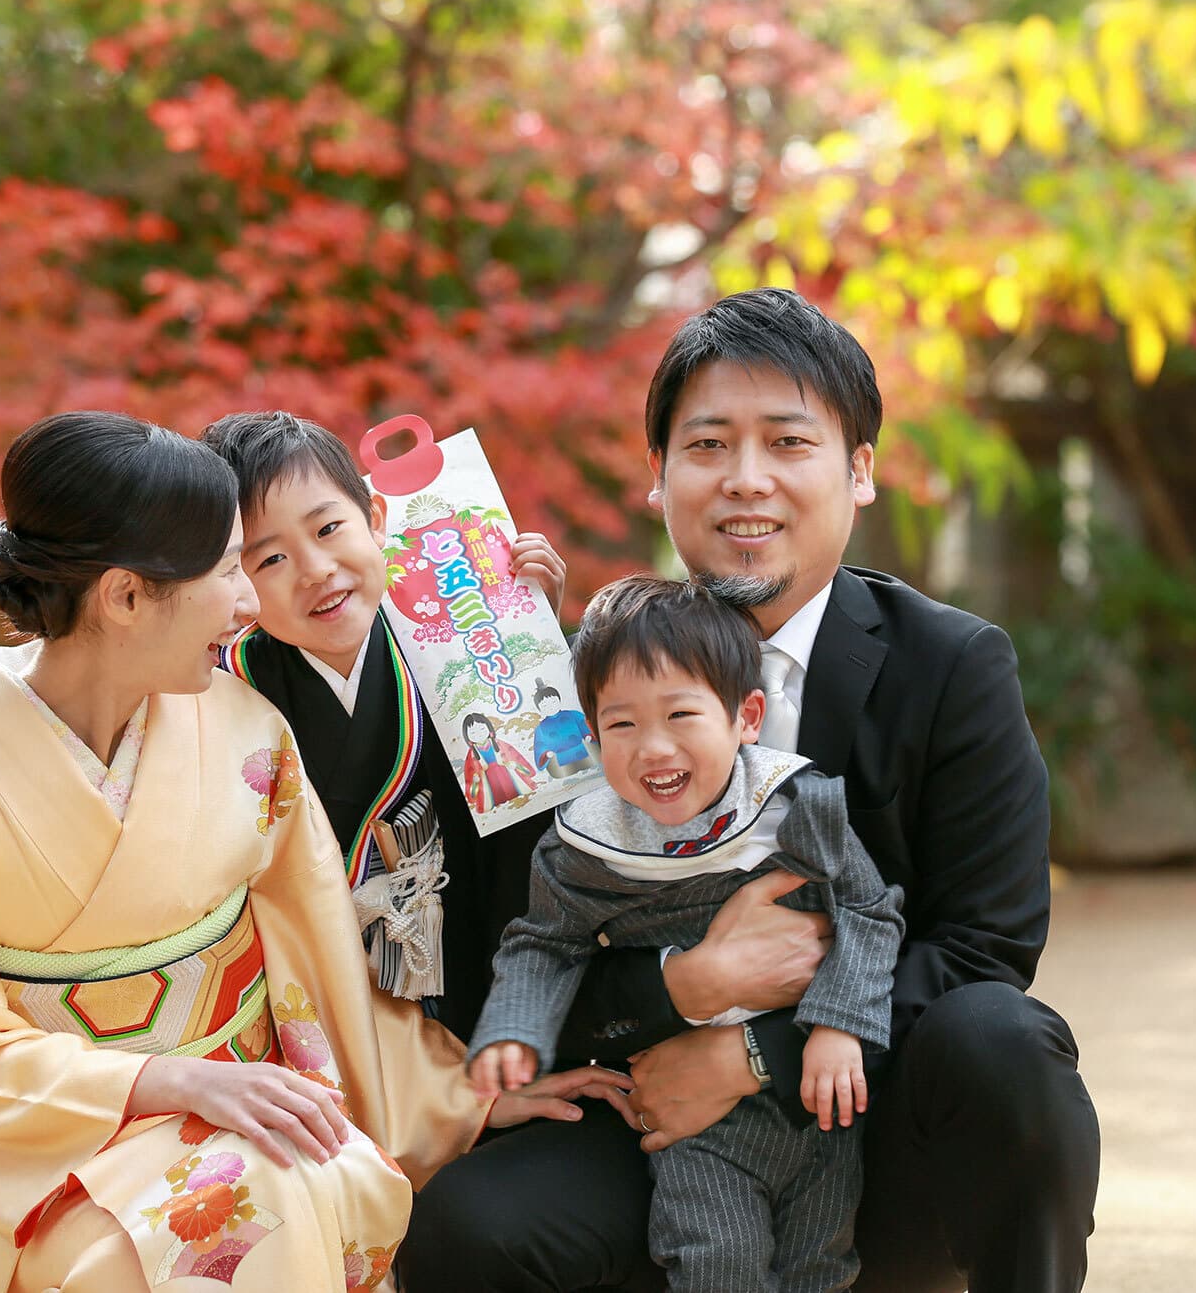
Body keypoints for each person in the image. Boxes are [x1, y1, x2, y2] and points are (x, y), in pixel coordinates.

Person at [400, 288, 1101, 1292]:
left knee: (1004, 1046)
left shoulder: (949, 665)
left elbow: (983, 946)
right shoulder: (565, 691)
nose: (745, 481)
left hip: (859, 1108)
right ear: (657, 477)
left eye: (786, 442)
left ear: (858, 471)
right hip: (646, 1120)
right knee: (469, 1226)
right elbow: (515, 950)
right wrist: (684, 991)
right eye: (708, 446)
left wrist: (756, 1052)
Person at [0, 412, 627, 1293]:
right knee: (232, 1213)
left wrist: (464, 1094)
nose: (251, 603)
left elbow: (317, 964)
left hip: (231, 1108)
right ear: (127, 596)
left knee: (287, 1182)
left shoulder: (246, 731)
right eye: (232, 566)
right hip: (24, 1147)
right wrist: (165, 1082)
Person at [469, 574, 904, 1291]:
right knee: (716, 1261)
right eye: (623, 724)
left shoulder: (794, 805)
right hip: (698, 1124)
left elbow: (868, 910)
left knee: (819, 1267)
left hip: (815, 1104)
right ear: (591, 730)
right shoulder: (586, 846)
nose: (654, 748)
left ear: (746, 715)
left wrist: (838, 1027)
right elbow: (545, 941)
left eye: (681, 714)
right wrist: (516, 1027)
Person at [199, 411, 565, 1026]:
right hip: (322, 997)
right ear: (233, 579)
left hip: (484, 958)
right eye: (269, 561)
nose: (315, 570)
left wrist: (533, 638)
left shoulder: (458, 634)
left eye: (329, 528)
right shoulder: (226, 688)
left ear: (375, 519)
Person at [530, 680, 599, 778]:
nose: (551, 707)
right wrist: (546, 753)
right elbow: (540, 745)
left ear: (559, 700)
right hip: (562, 761)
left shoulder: (573, 714)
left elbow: (583, 723)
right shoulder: (540, 728)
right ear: (539, 709)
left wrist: (588, 735)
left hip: (583, 752)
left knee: (590, 768)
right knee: (570, 776)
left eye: (553, 702)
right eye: (545, 705)